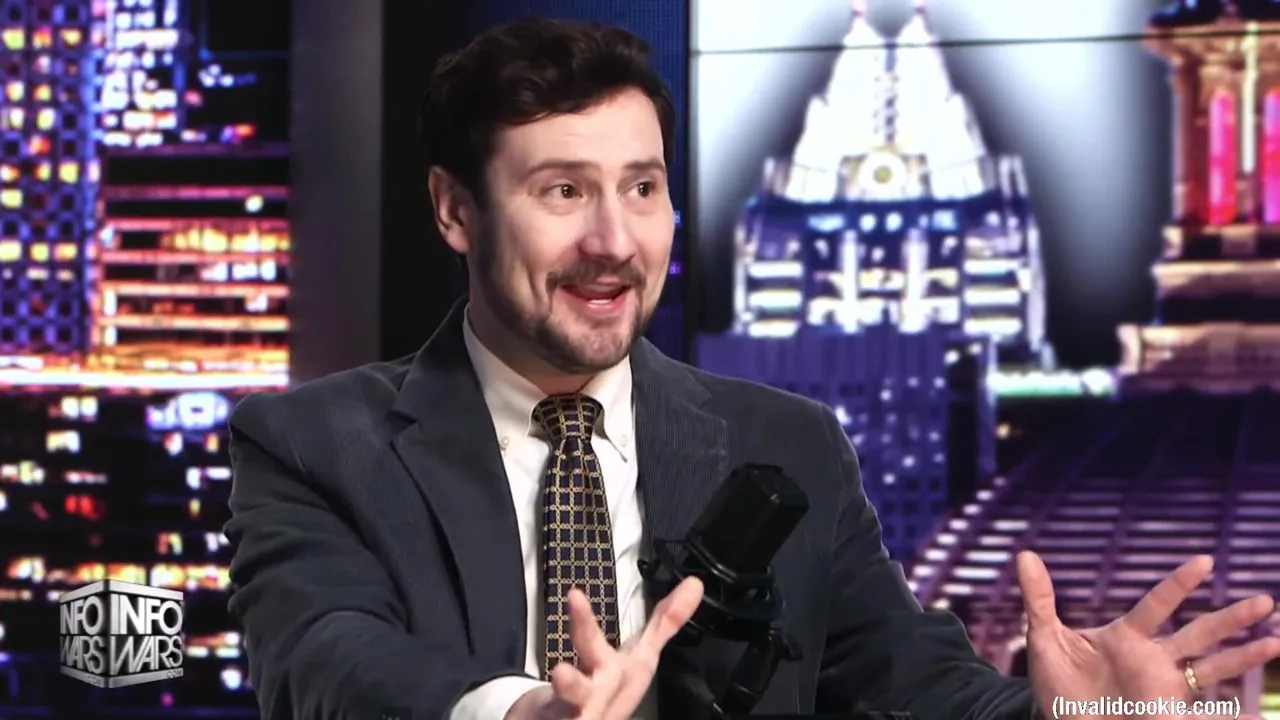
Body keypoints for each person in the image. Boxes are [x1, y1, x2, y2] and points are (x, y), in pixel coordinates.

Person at [224, 16, 1280, 720]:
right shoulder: (315, 444)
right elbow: (322, 660)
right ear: (455, 210)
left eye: (642, 189)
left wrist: (1078, 714)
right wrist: (520, 711)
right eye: (562, 192)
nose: (614, 242)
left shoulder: (788, 443)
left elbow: (910, 689)